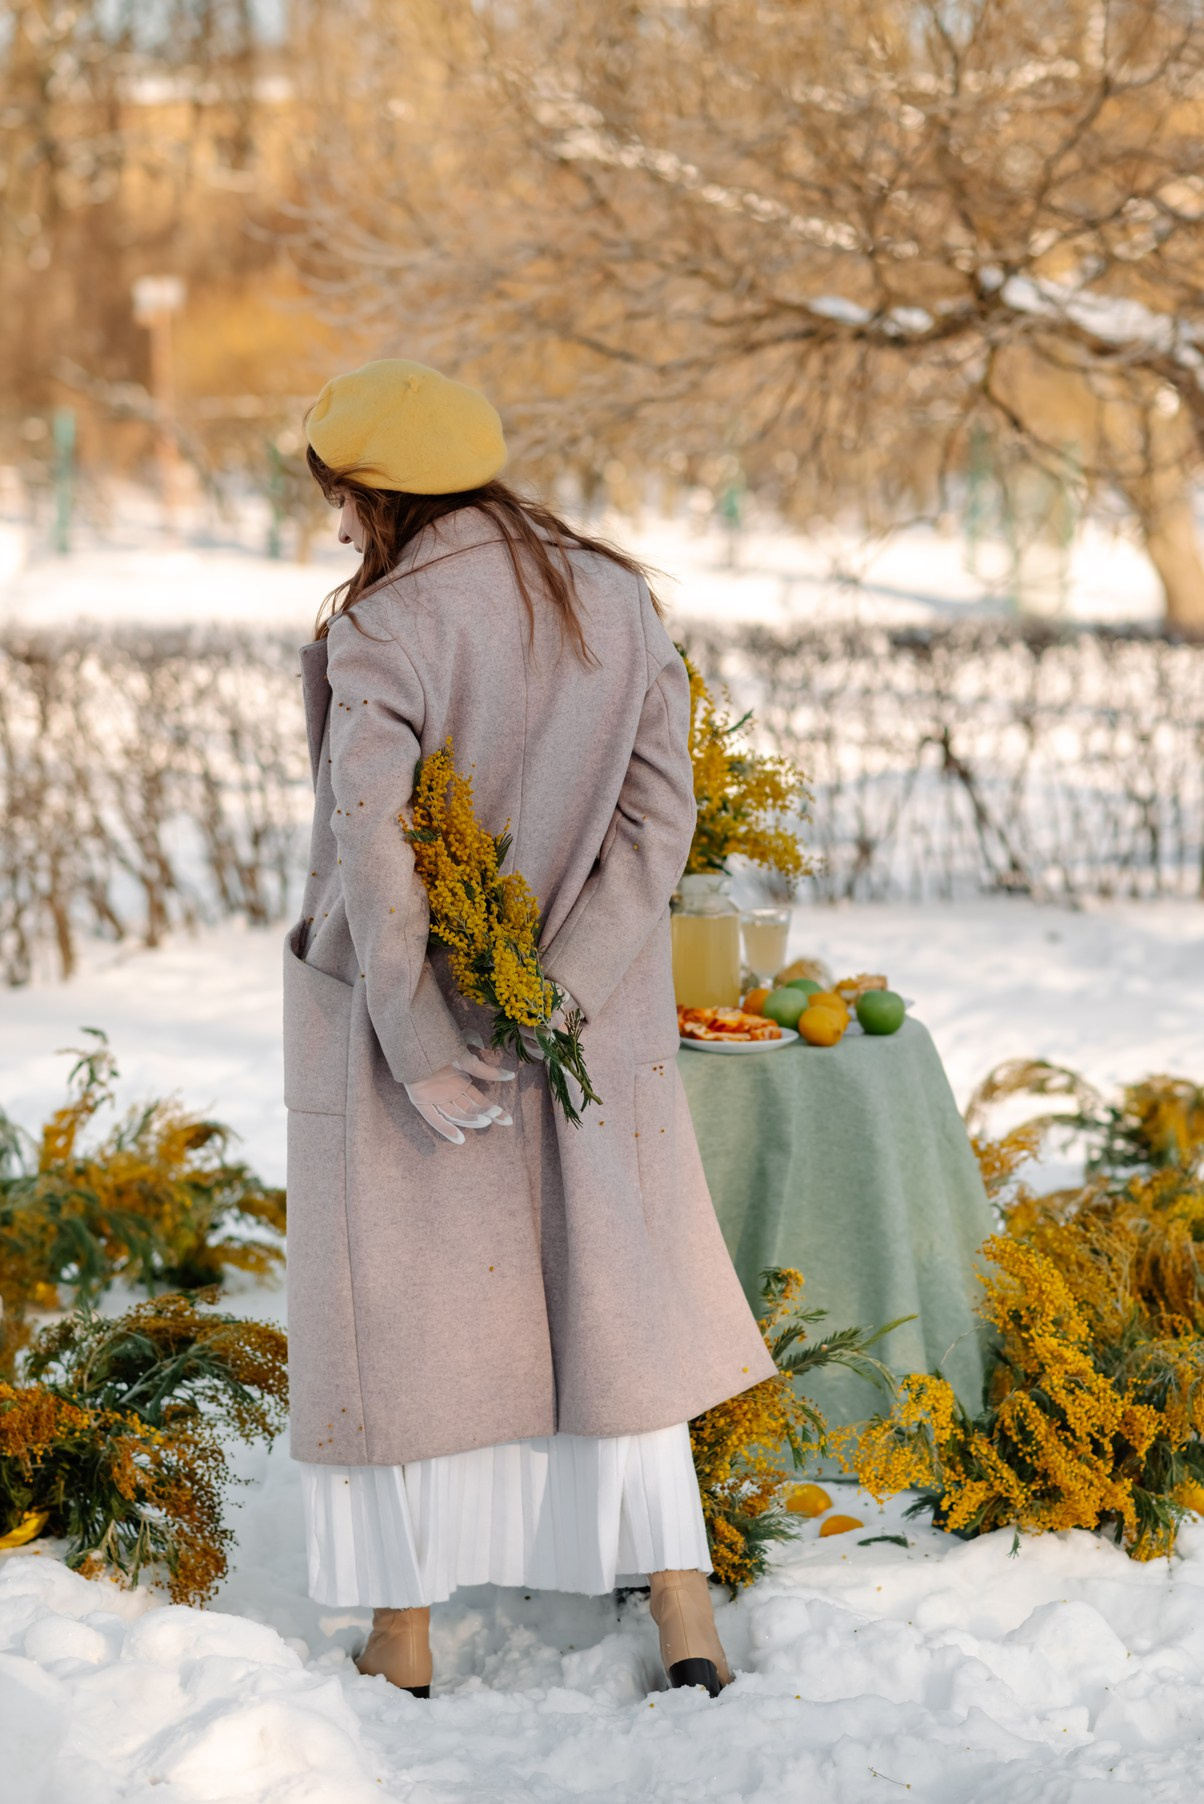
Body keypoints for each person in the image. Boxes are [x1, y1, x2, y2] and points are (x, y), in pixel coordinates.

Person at [284, 358, 776, 1700]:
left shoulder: (382, 629)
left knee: (406, 1319)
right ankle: (684, 1611)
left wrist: (426, 1040)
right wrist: (558, 992)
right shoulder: (613, 599)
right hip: (589, 1029)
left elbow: (377, 865)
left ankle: (404, 1632)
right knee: (610, 1303)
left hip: (406, 1031)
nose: (335, 528)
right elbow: (656, 823)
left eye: (339, 498)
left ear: (379, 495)